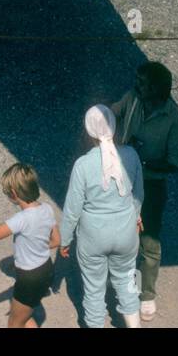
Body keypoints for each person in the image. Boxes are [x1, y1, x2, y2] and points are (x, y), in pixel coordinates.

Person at [110, 61, 178, 322]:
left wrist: (143, 161)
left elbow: (176, 162)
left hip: (152, 185)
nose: (136, 84)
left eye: (142, 82)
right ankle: (121, 284)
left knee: (149, 243)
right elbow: (113, 112)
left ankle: (147, 295)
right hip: (123, 181)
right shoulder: (133, 98)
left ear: (156, 89)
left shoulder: (174, 119)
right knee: (120, 235)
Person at [59, 105, 144, 328]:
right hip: (126, 232)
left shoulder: (83, 165)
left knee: (94, 291)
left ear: (89, 132)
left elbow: (72, 209)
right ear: (114, 128)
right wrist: (136, 216)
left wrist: (64, 240)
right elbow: (138, 194)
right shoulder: (131, 156)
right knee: (129, 282)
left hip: (92, 237)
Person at [0, 163, 59, 328]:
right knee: (24, 319)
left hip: (29, 278)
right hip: (45, 269)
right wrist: (33, 249)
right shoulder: (47, 208)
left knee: (14, 323)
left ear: (13, 194)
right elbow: (56, 241)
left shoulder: (22, 219)